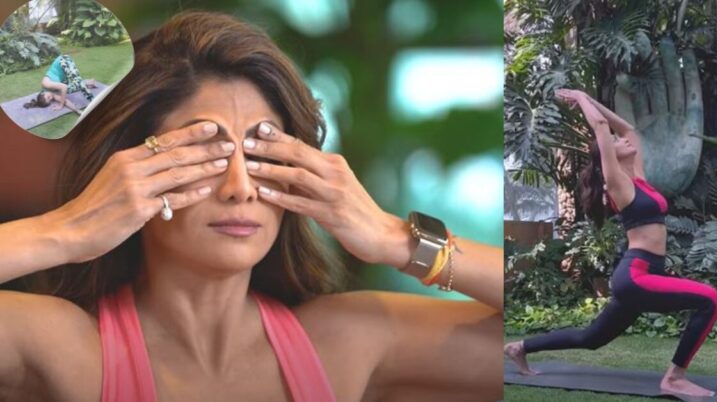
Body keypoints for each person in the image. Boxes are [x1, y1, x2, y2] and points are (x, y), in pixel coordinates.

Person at [0, 11, 502, 402]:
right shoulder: (64, 347)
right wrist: (65, 230)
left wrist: (396, 238)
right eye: (205, 155)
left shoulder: (347, 342)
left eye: (263, 155)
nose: (240, 188)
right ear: (130, 174)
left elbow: (562, 341)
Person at [504, 88, 717, 398]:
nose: (625, 142)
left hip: (646, 274)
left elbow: (628, 129)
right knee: (711, 299)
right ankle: (674, 378)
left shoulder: (639, 179)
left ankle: (520, 346)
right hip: (637, 276)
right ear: (608, 156)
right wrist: (581, 98)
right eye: (616, 144)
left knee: (591, 338)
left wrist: (591, 100)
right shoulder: (617, 183)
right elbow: (603, 129)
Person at [22, 54, 97, 115]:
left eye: (48, 97)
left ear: (42, 93)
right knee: (69, 89)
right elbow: (65, 101)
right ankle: (89, 83)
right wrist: (78, 111)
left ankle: (94, 102)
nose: (51, 98)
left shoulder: (46, 84)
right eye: (50, 100)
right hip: (64, 74)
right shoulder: (52, 94)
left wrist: (61, 105)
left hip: (63, 61)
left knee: (75, 83)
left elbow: (64, 87)